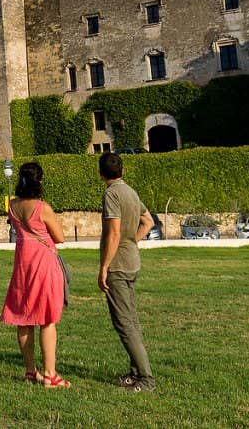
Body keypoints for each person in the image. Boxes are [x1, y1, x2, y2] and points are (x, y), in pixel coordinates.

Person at [0, 161, 70, 389]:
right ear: (39, 181)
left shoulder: (12, 206)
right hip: (43, 263)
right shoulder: (42, 207)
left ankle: (30, 371)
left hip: (22, 264)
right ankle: (50, 375)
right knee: (47, 319)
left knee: (24, 318)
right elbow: (59, 237)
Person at [98, 152, 156, 392]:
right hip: (133, 262)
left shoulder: (111, 194)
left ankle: (146, 379)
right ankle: (135, 373)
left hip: (119, 265)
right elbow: (149, 221)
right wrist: (133, 240)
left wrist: (104, 267)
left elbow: (113, 232)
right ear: (123, 171)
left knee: (124, 323)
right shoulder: (131, 192)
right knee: (131, 320)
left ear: (101, 174)